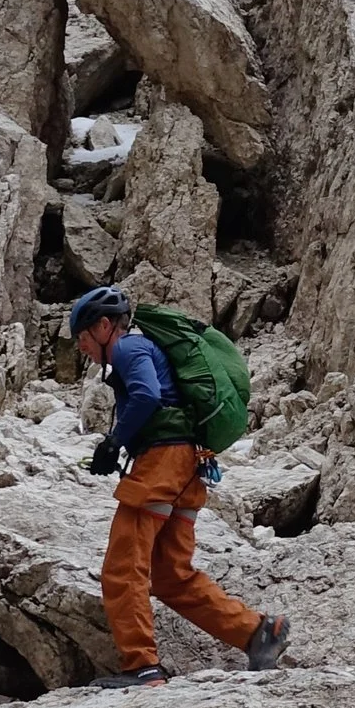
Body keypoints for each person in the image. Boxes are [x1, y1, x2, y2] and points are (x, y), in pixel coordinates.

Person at [67, 283, 288, 685]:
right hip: (190, 468)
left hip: (162, 465)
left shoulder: (128, 349)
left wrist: (114, 442)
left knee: (123, 567)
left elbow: (147, 395)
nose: (81, 347)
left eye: (82, 337)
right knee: (170, 575)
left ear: (103, 326)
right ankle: (258, 632)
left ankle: (141, 667)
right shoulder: (142, 349)